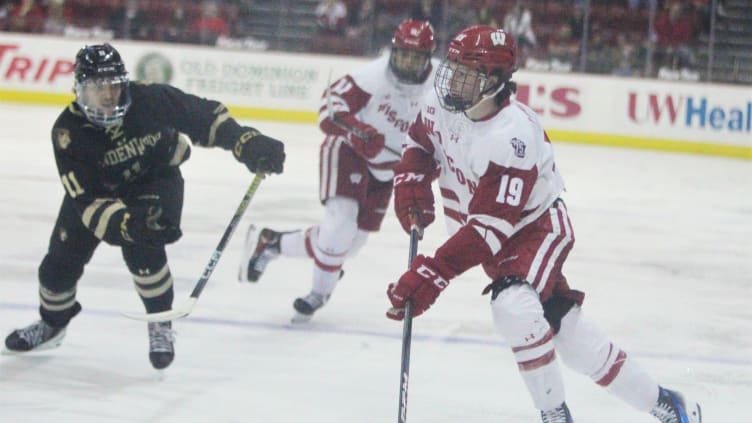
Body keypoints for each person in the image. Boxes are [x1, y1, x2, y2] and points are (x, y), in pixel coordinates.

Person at [385, 26, 702, 423]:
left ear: (494, 80)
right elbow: (419, 144)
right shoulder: (441, 102)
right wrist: (412, 184)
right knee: (569, 335)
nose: (452, 79)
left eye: (467, 73)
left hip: (535, 229)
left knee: (513, 306)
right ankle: (666, 402)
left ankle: (554, 414)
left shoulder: (512, 136)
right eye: (453, 68)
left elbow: (489, 230)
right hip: (491, 234)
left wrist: (432, 273)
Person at [3, 43, 285, 370]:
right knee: (56, 268)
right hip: (100, 194)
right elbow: (89, 202)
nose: (108, 95)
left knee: (145, 255)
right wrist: (124, 225)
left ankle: (160, 323)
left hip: (155, 180)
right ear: (79, 90)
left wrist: (244, 141)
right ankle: (52, 323)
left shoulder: (149, 99)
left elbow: (201, 116)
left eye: (114, 85)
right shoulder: (67, 133)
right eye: (97, 88)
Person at [239, 19, 438, 323]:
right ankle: (319, 294)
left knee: (350, 245)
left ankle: (274, 242)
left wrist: (426, 172)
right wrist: (358, 131)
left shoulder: (440, 85)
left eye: (416, 57)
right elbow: (328, 109)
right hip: (350, 153)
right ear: (394, 50)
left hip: (391, 170)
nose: (408, 63)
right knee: (338, 229)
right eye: (403, 54)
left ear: (427, 57)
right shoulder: (373, 77)